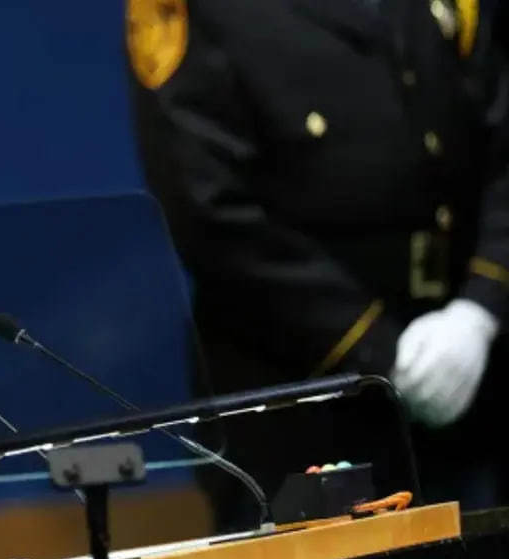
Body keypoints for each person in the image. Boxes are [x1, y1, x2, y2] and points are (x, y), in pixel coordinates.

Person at [128, 0, 509, 508]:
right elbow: (207, 209)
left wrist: (480, 309)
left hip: (473, 387)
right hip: (297, 404)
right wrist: (377, 351)